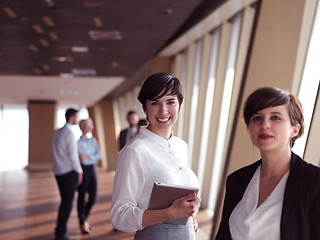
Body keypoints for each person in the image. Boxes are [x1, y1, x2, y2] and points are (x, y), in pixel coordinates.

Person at [215, 87, 320, 240]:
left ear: (294, 130)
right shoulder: (237, 180)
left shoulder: (314, 182)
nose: (265, 125)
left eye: (275, 117)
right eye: (257, 118)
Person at [110, 73, 202, 240]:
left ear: (179, 105)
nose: (163, 111)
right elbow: (119, 216)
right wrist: (169, 214)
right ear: (145, 108)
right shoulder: (135, 151)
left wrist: (189, 217)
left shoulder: (181, 146)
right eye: (155, 103)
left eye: (170, 102)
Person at [52, 108, 83, 240]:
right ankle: (60, 233)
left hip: (58, 172)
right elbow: (73, 156)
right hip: (68, 173)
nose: (78, 120)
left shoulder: (56, 133)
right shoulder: (69, 134)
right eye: (77, 117)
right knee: (67, 204)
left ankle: (59, 231)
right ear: (71, 118)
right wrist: (80, 172)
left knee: (64, 201)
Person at [77, 118, 101, 234]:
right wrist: (91, 156)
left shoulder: (93, 141)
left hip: (92, 169)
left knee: (93, 197)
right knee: (81, 197)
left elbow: (99, 156)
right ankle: (82, 223)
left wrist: (88, 156)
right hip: (83, 170)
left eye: (91, 125)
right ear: (81, 127)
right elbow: (81, 159)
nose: (89, 127)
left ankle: (83, 219)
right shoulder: (78, 143)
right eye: (87, 125)